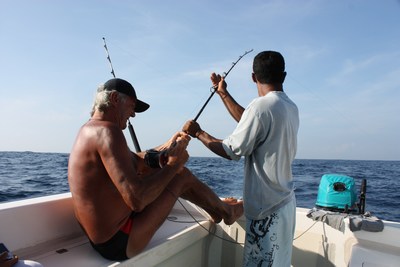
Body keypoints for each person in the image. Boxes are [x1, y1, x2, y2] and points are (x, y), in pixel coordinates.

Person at [68, 78, 243, 261]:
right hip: (118, 242)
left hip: (102, 239)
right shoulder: (108, 132)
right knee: (181, 176)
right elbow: (138, 200)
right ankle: (227, 212)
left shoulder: (91, 129)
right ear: (114, 98)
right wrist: (174, 164)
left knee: (160, 171)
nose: (133, 114)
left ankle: (217, 210)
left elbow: (135, 161)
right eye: (132, 106)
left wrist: (168, 145)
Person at [183, 51, 299, 266]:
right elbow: (252, 122)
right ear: (284, 76)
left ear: (253, 77)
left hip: (266, 212)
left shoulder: (260, 107)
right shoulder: (289, 107)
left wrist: (198, 132)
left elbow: (230, 150)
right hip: (286, 204)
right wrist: (223, 94)